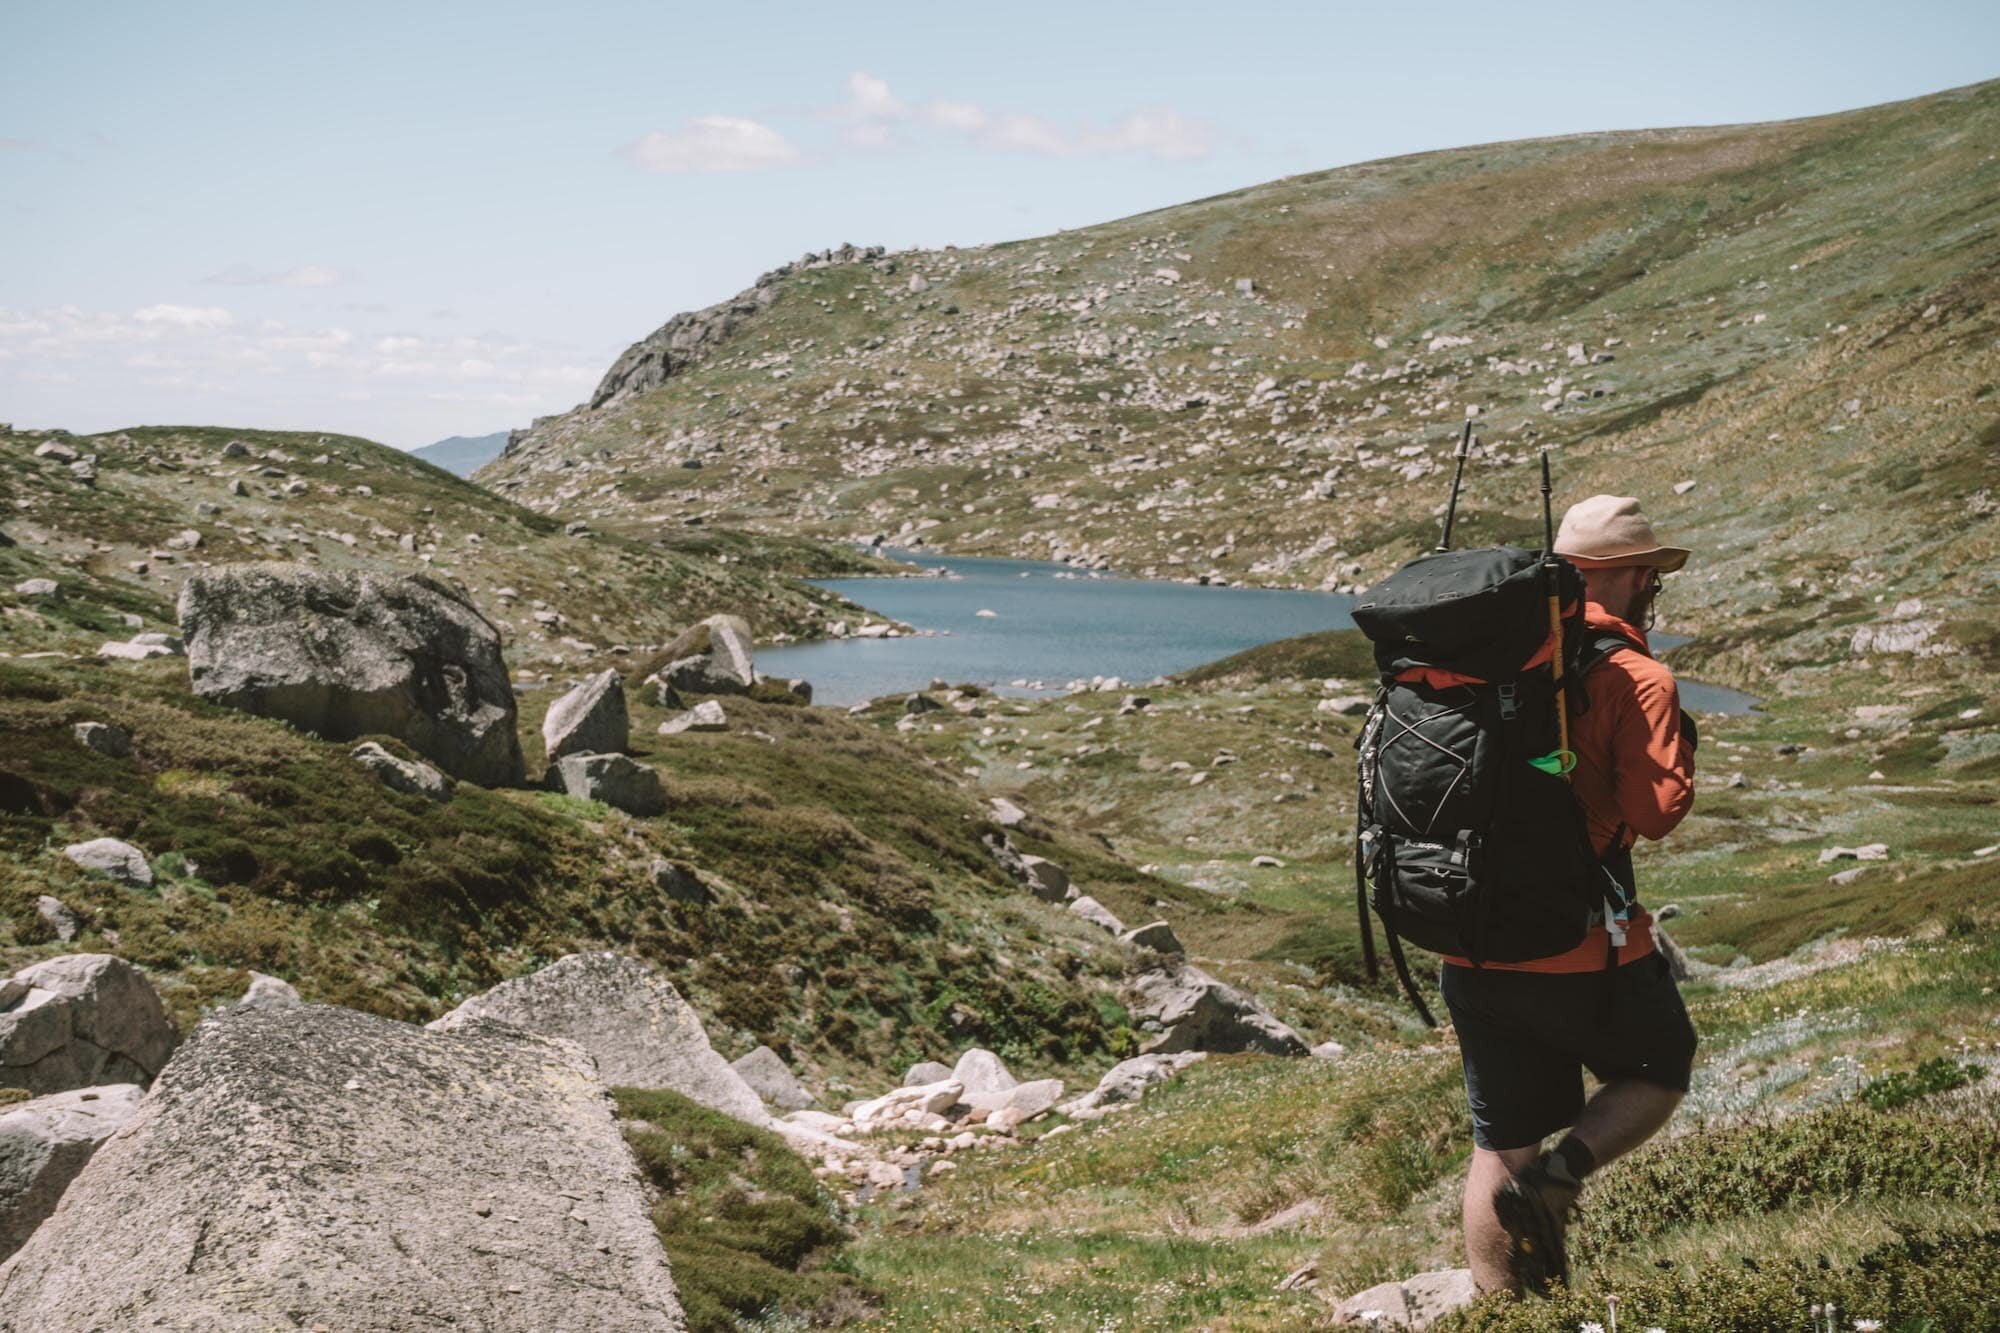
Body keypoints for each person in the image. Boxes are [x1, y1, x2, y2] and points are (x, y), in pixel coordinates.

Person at [1443, 493, 1700, 1296]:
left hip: (1467, 930)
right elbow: (1655, 815)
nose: (1652, 591)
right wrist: (1678, 748)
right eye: (1650, 577)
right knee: (1663, 1066)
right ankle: (1562, 1176)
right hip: (1579, 939)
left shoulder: (1482, 655)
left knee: (1499, 1143)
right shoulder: (1635, 674)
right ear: (1627, 577)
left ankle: (1504, 1312)